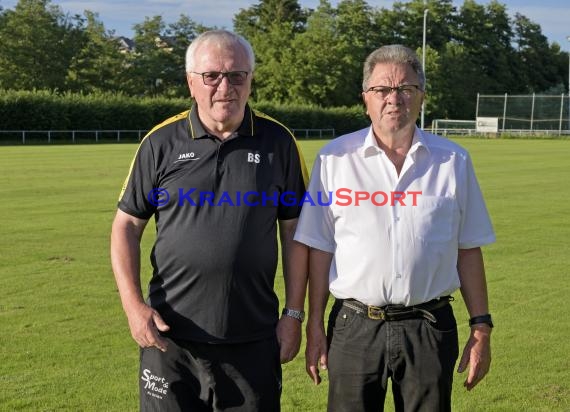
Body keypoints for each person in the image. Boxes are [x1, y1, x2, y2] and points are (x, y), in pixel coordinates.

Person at [110, 29, 308, 412]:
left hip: (252, 339)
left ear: (250, 80)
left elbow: (296, 233)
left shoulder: (278, 141)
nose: (225, 86)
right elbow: (126, 226)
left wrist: (294, 315)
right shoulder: (161, 142)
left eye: (237, 75)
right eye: (212, 76)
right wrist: (134, 308)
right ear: (191, 82)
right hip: (170, 341)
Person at [294, 44, 496, 412]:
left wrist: (480, 327)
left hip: (429, 327)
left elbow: (468, 249)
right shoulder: (333, 160)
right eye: (382, 90)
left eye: (406, 89)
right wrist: (314, 326)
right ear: (365, 98)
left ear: (421, 96)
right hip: (353, 327)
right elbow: (319, 249)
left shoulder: (453, 161)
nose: (394, 99)